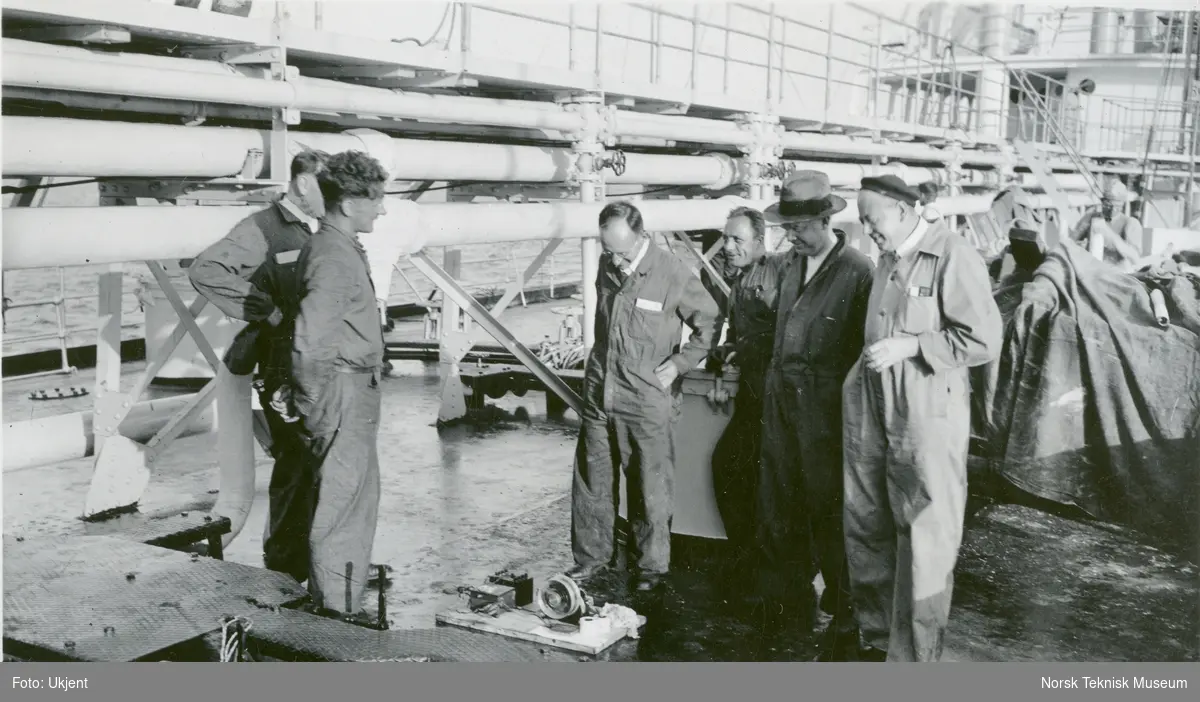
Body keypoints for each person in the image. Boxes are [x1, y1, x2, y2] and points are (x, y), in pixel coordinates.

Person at [843, 175, 1003, 662]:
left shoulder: (952, 253)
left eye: (873, 220)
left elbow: (984, 338)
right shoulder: (887, 261)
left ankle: (914, 658)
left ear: (902, 208)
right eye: (865, 223)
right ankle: (875, 639)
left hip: (926, 412)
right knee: (866, 519)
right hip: (874, 405)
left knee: (926, 534)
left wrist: (913, 345)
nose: (869, 232)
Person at [187, 149, 328, 583]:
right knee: (296, 460)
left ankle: (315, 561)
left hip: (316, 363)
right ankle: (286, 568)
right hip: (281, 365)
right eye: (328, 186)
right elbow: (206, 269)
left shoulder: (319, 230)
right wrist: (263, 309)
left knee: (318, 461)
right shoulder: (262, 228)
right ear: (303, 183)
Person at [569, 201, 720, 592]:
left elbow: (709, 320)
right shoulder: (607, 265)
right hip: (601, 392)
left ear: (643, 237)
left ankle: (650, 570)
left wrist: (680, 363)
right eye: (609, 251)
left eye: (623, 251)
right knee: (592, 481)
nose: (616, 260)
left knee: (649, 486)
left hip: (646, 397)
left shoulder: (671, 272)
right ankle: (591, 562)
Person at [755, 171, 874, 660]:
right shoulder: (787, 267)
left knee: (830, 512)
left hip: (826, 416)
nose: (792, 236)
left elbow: (863, 353)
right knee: (777, 504)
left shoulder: (858, 272)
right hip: (781, 406)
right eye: (788, 228)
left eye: (801, 228)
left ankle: (846, 612)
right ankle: (785, 600)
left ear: (826, 220)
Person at [288, 150, 390, 616]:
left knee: (352, 496)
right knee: (343, 502)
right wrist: (315, 402)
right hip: (343, 391)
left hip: (351, 389)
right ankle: (336, 613)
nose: (382, 209)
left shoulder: (335, 246)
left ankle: (339, 597)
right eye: (376, 200)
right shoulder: (333, 255)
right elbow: (310, 341)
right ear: (349, 205)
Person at [706, 207, 785, 594]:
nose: (728, 247)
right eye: (726, 238)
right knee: (727, 467)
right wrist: (724, 363)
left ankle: (764, 566)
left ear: (759, 241)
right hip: (752, 396)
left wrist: (745, 347)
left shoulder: (778, 273)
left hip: (776, 398)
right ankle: (744, 555)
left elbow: (785, 333)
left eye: (737, 240)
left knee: (763, 480)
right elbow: (737, 336)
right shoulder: (738, 284)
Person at [1069, 178, 1144, 267]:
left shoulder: (1130, 223)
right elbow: (1070, 242)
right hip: (1091, 271)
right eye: (1109, 205)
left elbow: (1135, 258)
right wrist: (1078, 247)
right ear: (1103, 202)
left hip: (1117, 274)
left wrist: (1108, 233)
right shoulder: (1092, 217)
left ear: (1123, 204)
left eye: (1117, 206)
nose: (1113, 209)